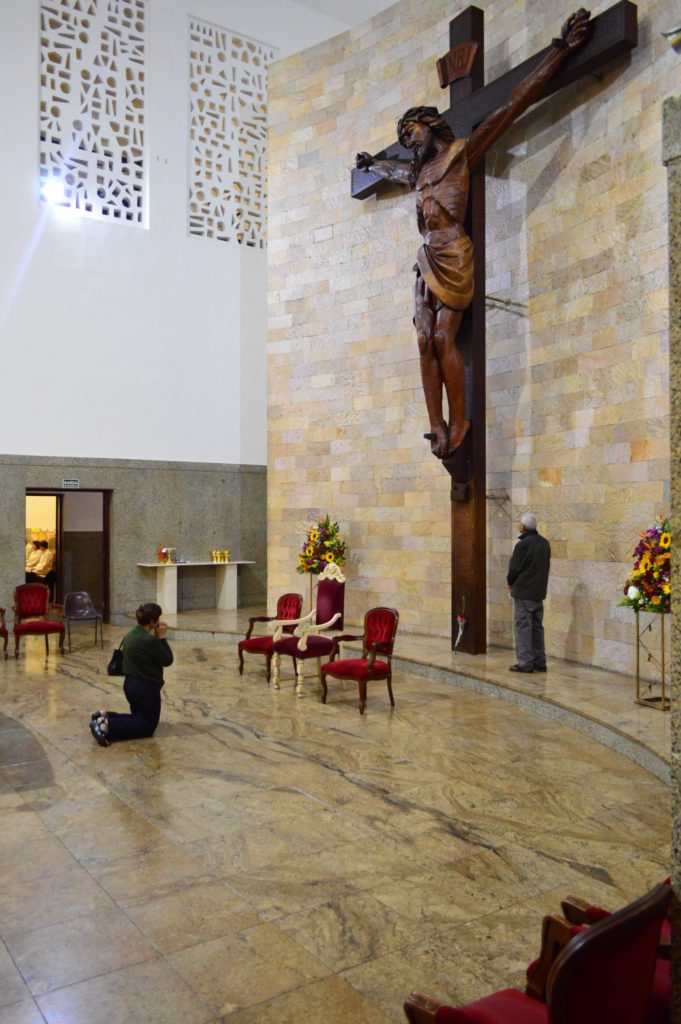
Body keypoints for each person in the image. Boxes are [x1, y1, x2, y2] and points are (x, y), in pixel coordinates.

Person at [355, 9, 590, 458]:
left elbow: (514, 102)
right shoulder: (418, 173)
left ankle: (459, 418)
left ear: (432, 124)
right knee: (423, 339)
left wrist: (560, 52)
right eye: (405, 138)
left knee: (445, 338)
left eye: (412, 131)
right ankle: (436, 426)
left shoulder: (462, 155)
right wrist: (370, 165)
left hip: (454, 254)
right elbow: (392, 169)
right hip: (424, 261)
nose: (409, 141)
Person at [89, 602, 173, 747]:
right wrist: (162, 637)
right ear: (152, 621)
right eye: (157, 619)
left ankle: (104, 716)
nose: (159, 622)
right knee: (146, 726)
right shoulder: (150, 640)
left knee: (138, 718)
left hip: (130, 684)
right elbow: (167, 659)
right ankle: (107, 726)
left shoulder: (131, 634)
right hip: (145, 688)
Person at [507, 513, 551, 673]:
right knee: (537, 627)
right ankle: (540, 661)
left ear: (523, 527)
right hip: (538, 591)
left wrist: (510, 583)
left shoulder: (523, 545)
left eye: (520, 524)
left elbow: (514, 568)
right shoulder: (544, 543)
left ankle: (525, 662)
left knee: (523, 627)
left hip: (524, 592)